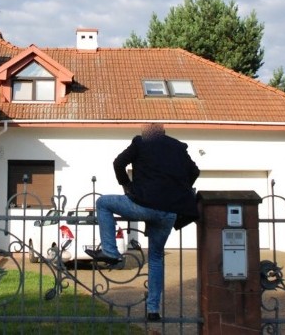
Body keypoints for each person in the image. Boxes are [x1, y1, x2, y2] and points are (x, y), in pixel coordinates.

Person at [85, 123, 200, 322]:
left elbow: (118, 163)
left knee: (103, 203)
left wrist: (127, 186)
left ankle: (111, 252)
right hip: (169, 211)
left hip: (144, 205)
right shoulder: (178, 148)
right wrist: (177, 190)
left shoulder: (140, 142)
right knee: (156, 257)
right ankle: (153, 310)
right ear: (164, 133)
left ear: (145, 133)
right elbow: (195, 172)